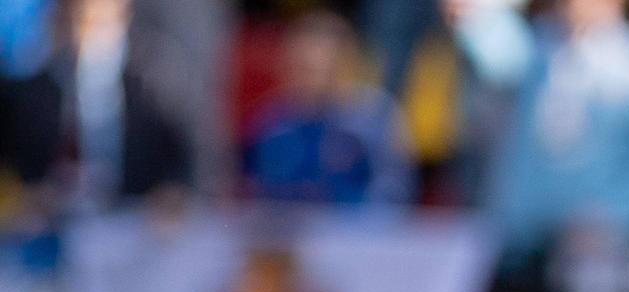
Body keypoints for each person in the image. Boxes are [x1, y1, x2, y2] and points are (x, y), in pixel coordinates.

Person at [455, 0, 629, 260]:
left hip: (598, 254)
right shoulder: (533, 47)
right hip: (515, 248)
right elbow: (483, 33)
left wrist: (615, 219)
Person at [0, 0, 194, 211]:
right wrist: (22, 199)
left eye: (103, 22)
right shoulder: (25, 96)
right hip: (51, 223)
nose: (92, 34)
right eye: (82, 22)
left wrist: (169, 195)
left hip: (131, 220)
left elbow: (179, 163)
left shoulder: (152, 88)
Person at [241, 11, 408, 203]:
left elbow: (393, 192)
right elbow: (253, 189)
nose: (306, 80)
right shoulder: (269, 121)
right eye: (298, 67)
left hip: (356, 221)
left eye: (315, 70)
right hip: (285, 221)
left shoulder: (375, 116)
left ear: (343, 65)